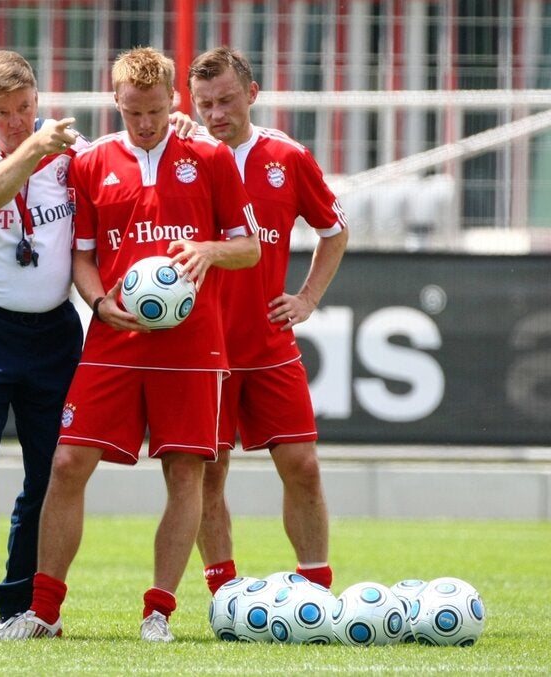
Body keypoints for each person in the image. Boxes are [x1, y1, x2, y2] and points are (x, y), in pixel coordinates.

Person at [0, 49, 201, 642]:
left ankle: (19, 602)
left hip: (55, 329)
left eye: (25, 107)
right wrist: (34, 147)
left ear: (38, 98)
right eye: (2, 111)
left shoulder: (73, 156)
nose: (15, 120)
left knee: (48, 473)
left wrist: (177, 129)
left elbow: (130, 157)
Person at [0, 46, 260, 643]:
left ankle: (158, 612)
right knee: (67, 464)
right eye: (132, 113)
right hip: (113, 339)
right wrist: (99, 304)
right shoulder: (91, 164)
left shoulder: (211, 157)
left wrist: (207, 251)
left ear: (174, 100)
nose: (144, 124)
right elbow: (82, 257)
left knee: (186, 473)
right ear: (116, 102)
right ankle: (45, 610)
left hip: (192, 345)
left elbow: (249, 247)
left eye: (155, 112)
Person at [187, 47, 349, 593]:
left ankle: (316, 590)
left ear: (251, 95)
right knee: (209, 474)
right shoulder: (179, 160)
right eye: (205, 103)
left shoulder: (287, 157)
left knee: (302, 465)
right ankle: (224, 594)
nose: (215, 114)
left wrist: (306, 298)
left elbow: (334, 231)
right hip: (201, 349)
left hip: (268, 342)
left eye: (227, 100)